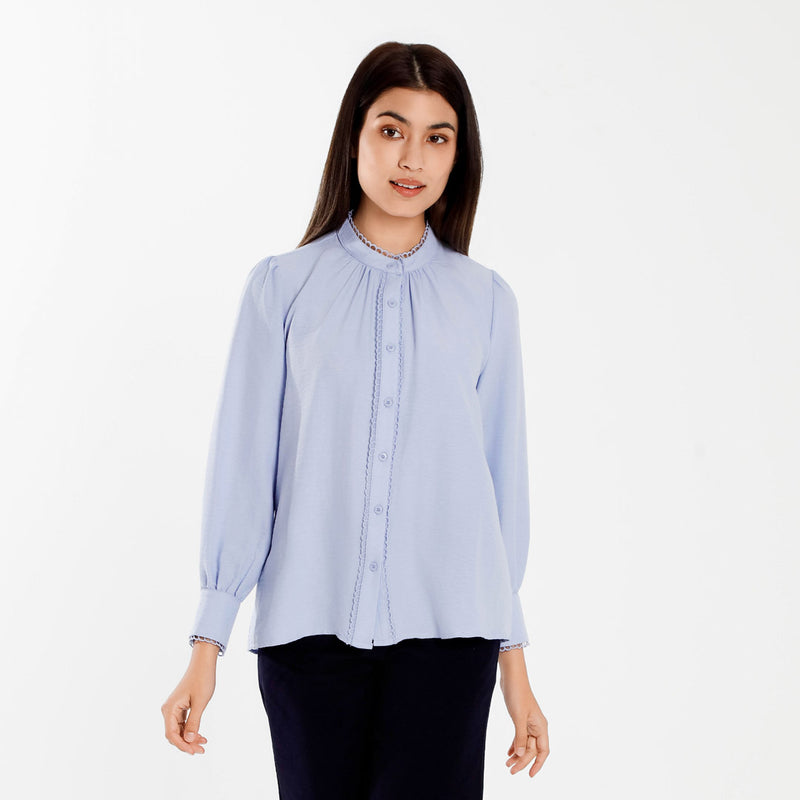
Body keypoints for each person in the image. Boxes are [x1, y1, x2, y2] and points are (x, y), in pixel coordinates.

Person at [161, 40, 549, 798]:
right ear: (354, 136)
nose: (412, 158)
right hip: (308, 641)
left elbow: (499, 499)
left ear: (459, 156)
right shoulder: (281, 288)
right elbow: (244, 472)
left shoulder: (486, 302)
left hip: (452, 642)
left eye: (438, 137)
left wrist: (516, 667)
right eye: (391, 129)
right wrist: (207, 642)